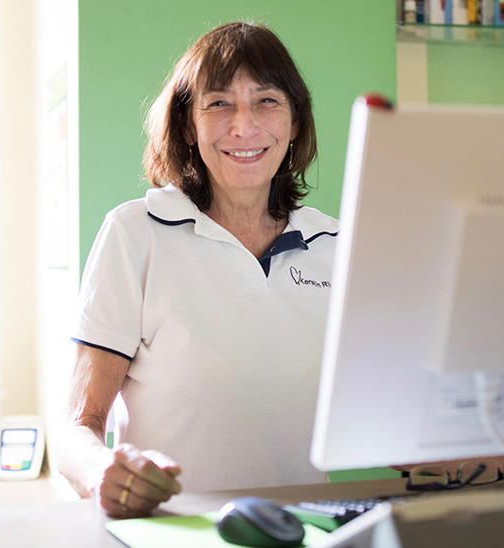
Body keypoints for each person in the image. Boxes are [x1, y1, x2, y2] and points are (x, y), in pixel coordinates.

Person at [56, 21, 338, 518]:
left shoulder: (336, 244)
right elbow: (78, 426)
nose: (243, 126)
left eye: (266, 101)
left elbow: (393, 413)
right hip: (176, 530)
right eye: (219, 103)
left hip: (307, 530)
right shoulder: (135, 233)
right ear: (188, 125)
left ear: (295, 121)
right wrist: (102, 470)